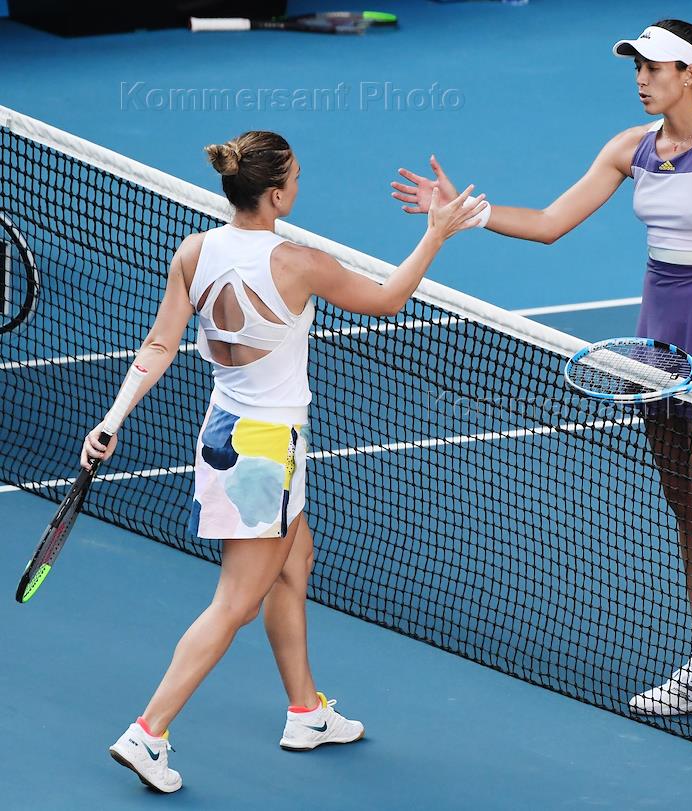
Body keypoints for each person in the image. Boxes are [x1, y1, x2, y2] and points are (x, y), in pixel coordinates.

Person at [389, 19, 692, 745]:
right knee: (682, 505)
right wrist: (465, 215)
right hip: (655, 351)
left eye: (654, 68)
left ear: (690, 73)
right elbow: (550, 222)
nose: (641, 79)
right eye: (636, 67)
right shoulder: (628, 147)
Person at [89, 130, 486, 792]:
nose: (300, 185)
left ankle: (306, 712)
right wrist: (436, 234)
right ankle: (148, 732)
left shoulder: (194, 251)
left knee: (294, 560)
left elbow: (158, 345)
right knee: (234, 603)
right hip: (268, 455)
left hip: (223, 434)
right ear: (274, 195)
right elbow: (388, 298)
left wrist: (112, 417)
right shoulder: (300, 263)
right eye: (295, 178)